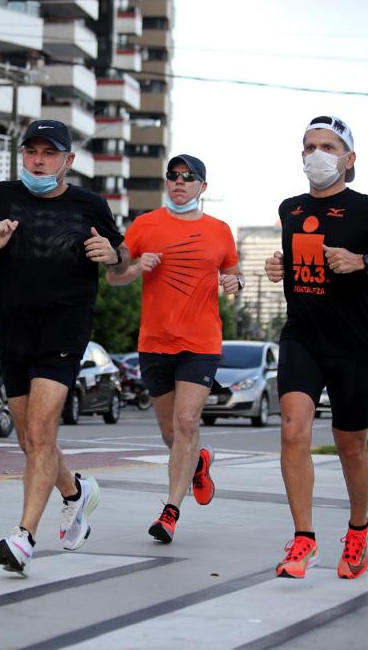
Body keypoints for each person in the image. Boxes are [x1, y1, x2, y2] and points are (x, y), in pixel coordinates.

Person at [0, 119, 128, 576]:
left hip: (64, 330)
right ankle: (75, 492)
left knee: (42, 428)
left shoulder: (90, 205)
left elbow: (121, 261)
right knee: (29, 440)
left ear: (68, 160)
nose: (38, 160)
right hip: (12, 328)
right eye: (31, 151)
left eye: (48, 153)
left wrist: (112, 256)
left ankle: (24, 537)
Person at [265, 116, 368, 579]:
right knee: (293, 430)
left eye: (328, 146)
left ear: (349, 159)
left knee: (351, 448)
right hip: (302, 336)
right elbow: (300, 263)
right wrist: (279, 265)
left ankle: (358, 531)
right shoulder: (289, 208)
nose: (317, 154)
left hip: (353, 343)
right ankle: (304, 538)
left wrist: (363, 261)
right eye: (309, 146)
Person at [106, 154, 242, 543]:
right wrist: (135, 267)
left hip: (200, 343)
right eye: (173, 176)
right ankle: (198, 460)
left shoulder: (220, 230)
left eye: (188, 177)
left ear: (203, 187)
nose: (179, 182)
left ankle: (170, 512)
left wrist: (236, 285)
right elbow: (115, 276)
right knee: (171, 433)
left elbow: (233, 274)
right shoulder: (145, 226)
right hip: (154, 343)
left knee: (186, 423)